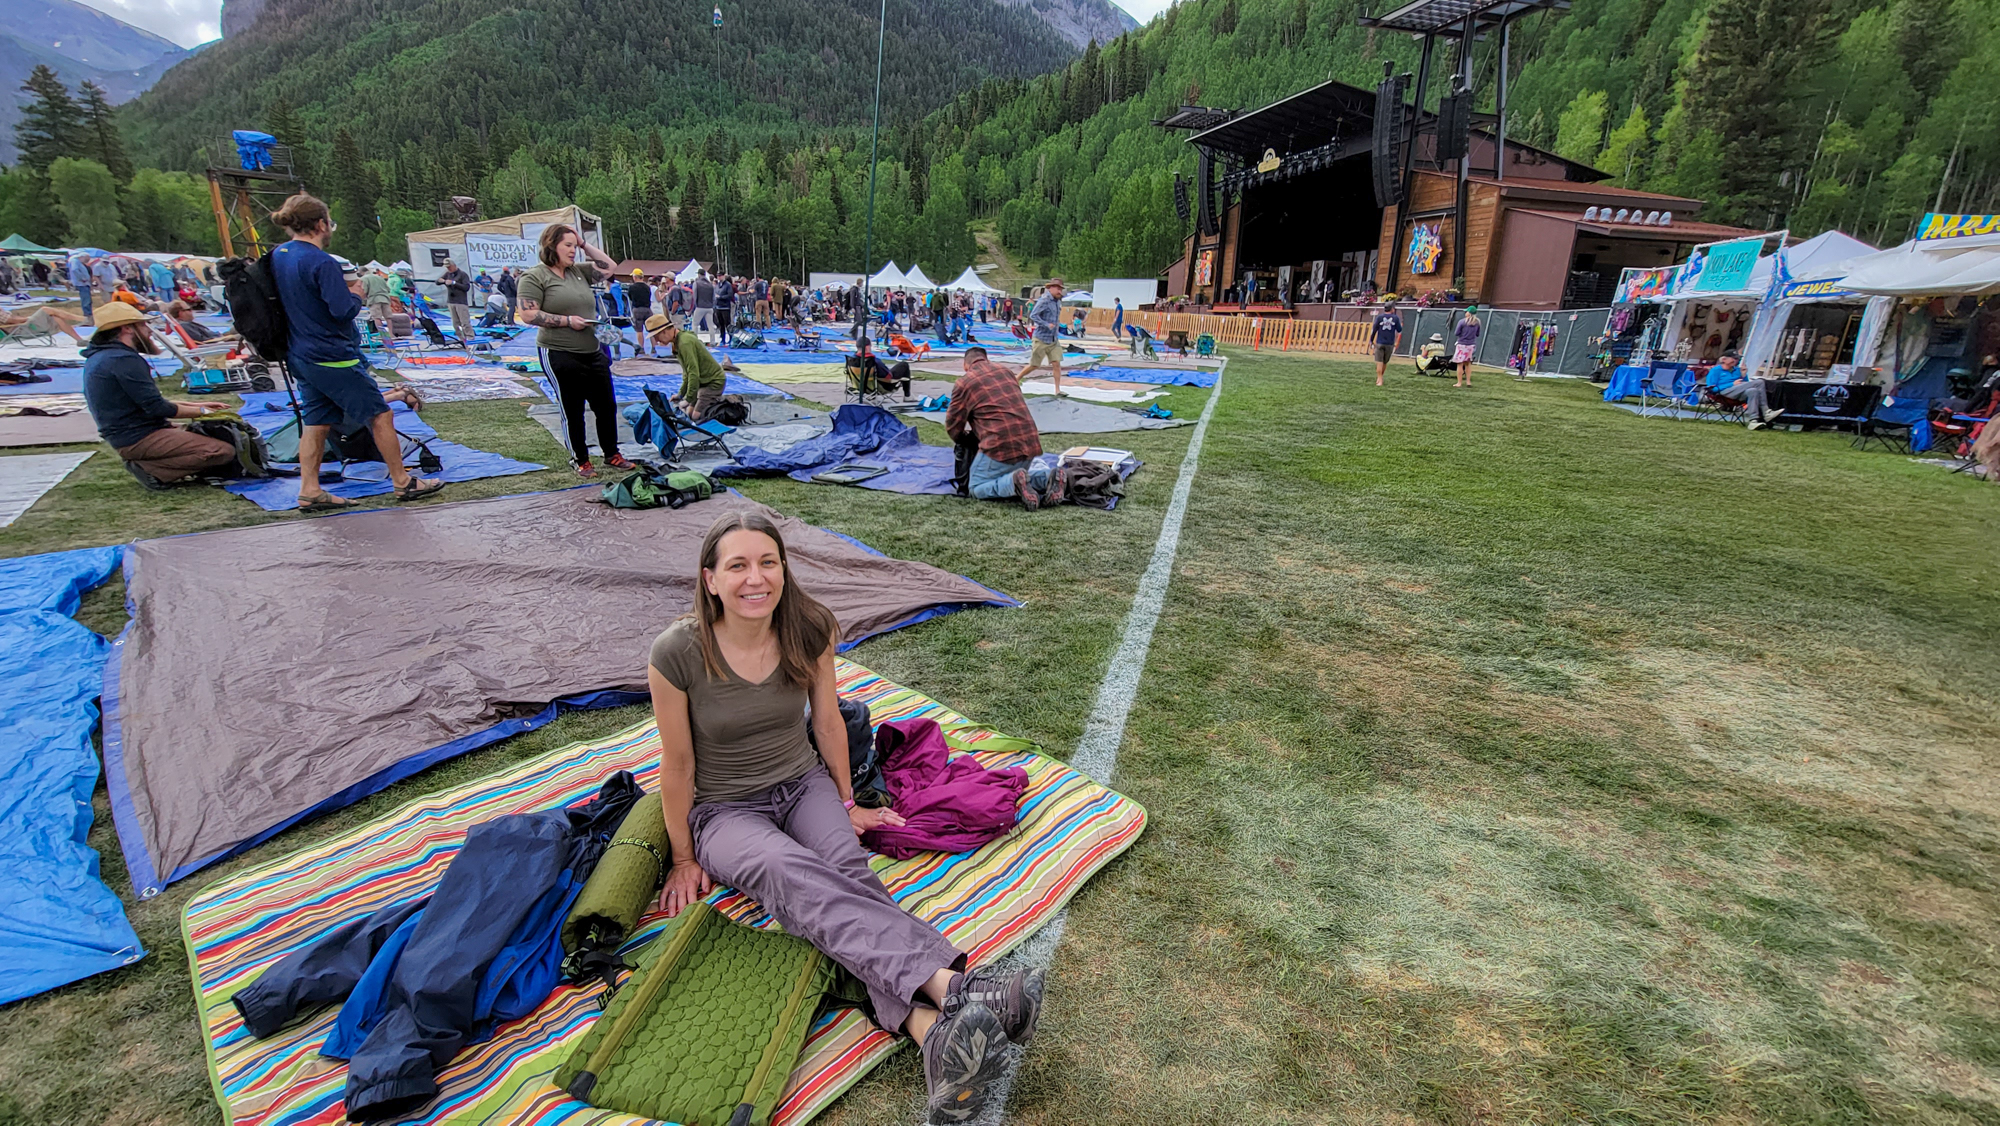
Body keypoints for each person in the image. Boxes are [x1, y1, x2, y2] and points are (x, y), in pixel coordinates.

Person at [648, 511, 1041, 1122]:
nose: (756, 578)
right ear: (710, 579)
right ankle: (957, 987)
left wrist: (847, 801)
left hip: (802, 784)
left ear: (783, 568)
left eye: (768, 562)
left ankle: (930, 1033)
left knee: (844, 874)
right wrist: (681, 856)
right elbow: (676, 765)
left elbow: (828, 724)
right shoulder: (677, 653)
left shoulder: (808, 627)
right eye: (738, 566)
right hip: (724, 812)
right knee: (788, 871)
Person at [268, 192, 445, 511]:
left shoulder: (278, 256)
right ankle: (403, 481)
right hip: (333, 355)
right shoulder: (320, 261)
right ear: (321, 224)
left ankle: (309, 489)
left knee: (316, 422)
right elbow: (341, 310)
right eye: (329, 222)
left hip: (300, 352)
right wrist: (356, 294)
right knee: (381, 413)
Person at [518, 222, 632, 478]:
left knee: (606, 405)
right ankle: (580, 459)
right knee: (573, 407)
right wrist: (568, 321)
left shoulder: (578, 272)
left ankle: (611, 453)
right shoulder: (535, 276)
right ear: (551, 246)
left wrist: (583, 243)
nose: (573, 251)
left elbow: (610, 267)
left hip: (592, 350)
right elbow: (528, 314)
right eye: (567, 246)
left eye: (574, 246)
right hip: (559, 351)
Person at [81, 303, 236, 489]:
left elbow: (147, 401)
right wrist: (203, 412)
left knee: (207, 436)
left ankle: (154, 463)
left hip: (127, 434)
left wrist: (200, 404)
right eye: (143, 325)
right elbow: (158, 408)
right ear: (127, 329)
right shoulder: (124, 360)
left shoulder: (104, 357)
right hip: (138, 437)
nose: (149, 331)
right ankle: (152, 469)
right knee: (222, 451)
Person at [944, 346, 1062, 509]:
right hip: (1030, 443)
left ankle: (1014, 482)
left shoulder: (964, 383)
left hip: (999, 445)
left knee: (976, 487)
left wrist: (964, 440)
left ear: (966, 366)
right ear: (987, 359)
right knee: (1010, 474)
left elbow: (953, 425)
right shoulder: (1005, 371)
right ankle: (1048, 477)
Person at [644, 313, 728, 421]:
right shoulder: (677, 341)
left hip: (713, 382)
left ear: (664, 332)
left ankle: (720, 404)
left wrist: (687, 399)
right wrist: (680, 395)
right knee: (688, 413)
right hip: (702, 383)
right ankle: (704, 400)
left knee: (696, 417)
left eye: (656, 337)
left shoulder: (685, 342)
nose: (657, 341)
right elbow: (686, 373)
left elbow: (693, 373)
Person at [1017, 278, 1067, 397]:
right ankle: (1016, 378)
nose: (1060, 291)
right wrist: (1046, 324)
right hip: (1041, 338)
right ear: (1051, 288)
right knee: (1034, 365)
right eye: (1058, 289)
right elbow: (1033, 315)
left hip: (1053, 339)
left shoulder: (1057, 301)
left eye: (1061, 289)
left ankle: (1057, 390)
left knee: (1056, 363)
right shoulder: (1044, 300)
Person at [1703, 352, 1778, 429]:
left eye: (1737, 359)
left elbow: (1745, 384)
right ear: (1724, 359)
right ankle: (1766, 412)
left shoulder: (1738, 370)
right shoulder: (1716, 370)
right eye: (1734, 358)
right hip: (1723, 392)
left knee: (1753, 391)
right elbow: (1712, 389)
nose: (1736, 360)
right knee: (1759, 382)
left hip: (1737, 392)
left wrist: (1744, 376)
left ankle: (1753, 421)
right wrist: (1732, 384)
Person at [1, 302, 89, 345]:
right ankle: (83, 319)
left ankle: (79, 340)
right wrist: (27, 318)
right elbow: (11, 320)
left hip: (23, 327)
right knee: (45, 309)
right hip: (21, 329)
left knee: (56, 318)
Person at [164, 300, 232, 344]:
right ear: (181, 313)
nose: (192, 311)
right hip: (219, 341)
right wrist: (226, 338)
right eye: (189, 309)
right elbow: (203, 341)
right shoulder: (185, 326)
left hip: (220, 337)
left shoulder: (186, 324)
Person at [1370, 299, 1403, 387]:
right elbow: (1399, 330)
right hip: (1390, 343)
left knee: (1379, 361)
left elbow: (1374, 330)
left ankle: (1379, 378)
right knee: (1384, 362)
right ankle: (1380, 378)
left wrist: (1371, 340)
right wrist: (1397, 342)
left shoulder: (1379, 317)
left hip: (1380, 342)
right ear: (1392, 309)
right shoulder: (1395, 318)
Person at [626, 270, 656, 356]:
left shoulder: (632, 287)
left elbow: (630, 298)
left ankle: (641, 348)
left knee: (639, 330)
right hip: (647, 309)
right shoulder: (647, 287)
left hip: (637, 309)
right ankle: (654, 348)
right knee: (651, 329)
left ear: (635, 277)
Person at [1452, 306, 1482, 387]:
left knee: (1460, 364)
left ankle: (1459, 382)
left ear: (1469, 313)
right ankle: (1468, 382)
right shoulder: (1477, 322)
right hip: (1471, 345)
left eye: (1466, 311)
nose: (1465, 313)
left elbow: (1456, 333)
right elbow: (1478, 334)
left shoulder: (1462, 322)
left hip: (1461, 344)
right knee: (1468, 364)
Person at [361, 267, 395, 339]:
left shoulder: (364, 279)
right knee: (388, 318)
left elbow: (364, 291)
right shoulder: (379, 277)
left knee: (377, 318)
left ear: (361, 272)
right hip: (385, 298)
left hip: (374, 299)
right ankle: (391, 334)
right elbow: (388, 289)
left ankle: (383, 335)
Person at [692, 270, 717, 342]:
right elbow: (714, 298)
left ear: (699, 275)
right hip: (709, 307)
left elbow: (695, 296)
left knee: (695, 324)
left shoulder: (696, 283)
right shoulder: (710, 284)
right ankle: (712, 341)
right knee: (710, 326)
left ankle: (695, 341)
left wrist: (695, 306)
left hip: (700, 306)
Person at [714, 273, 736, 342]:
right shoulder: (717, 285)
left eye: (720, 276)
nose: (719, 277)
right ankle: (722, 338)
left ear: (723, 276)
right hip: (718, 307)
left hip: (725, 307)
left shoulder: (728, 285)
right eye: (718, 276)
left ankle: (730, 338)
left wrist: (720, 297)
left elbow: (730, 295)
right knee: (720, 324)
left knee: (727, 324)